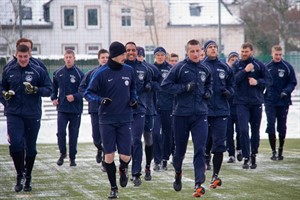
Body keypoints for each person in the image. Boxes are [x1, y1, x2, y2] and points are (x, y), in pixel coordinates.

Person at [84, 41, 137, 199]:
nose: (125, 56)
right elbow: (88, 93)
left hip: (125, 118)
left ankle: (123, 168)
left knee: (126, 156)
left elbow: (133, 89)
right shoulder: (101, 73)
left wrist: (134, 99)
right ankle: (113, 188)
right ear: (114, 56)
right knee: (109, 156)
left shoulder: (129, 70)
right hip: (106, 119)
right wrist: (100, 100)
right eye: (123, 54)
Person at [161, 39, 212, 197]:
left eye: (198, 51)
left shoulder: (205, 68)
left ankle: (198, 183)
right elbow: (165, 86)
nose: (196, 54)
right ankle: (178, 173)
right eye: (193, 51)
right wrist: (184, 88)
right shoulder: (179, 68)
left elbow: (209, 85)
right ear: (187, 52)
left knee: (200, 149)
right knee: (179, 152)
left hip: (200, 115)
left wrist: (208, 93)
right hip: (181, 115)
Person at [1, 44, 52, 192]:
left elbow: (49, 89)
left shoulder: (38, 70)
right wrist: (5, 95)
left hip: (32, 114)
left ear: (30, 55)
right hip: (14, 113)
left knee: (31, 148)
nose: (23, 59)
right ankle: (19, 175)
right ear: (16, 55)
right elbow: (1, 88)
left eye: (25, 56)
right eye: (20, 56)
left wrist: (36, 89)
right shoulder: (8, 69)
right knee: (16, 144)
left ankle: (28, 176)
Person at [232, 42, 272, 169]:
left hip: (256, 103)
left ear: (252, 52)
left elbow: (269, 81)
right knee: (243, 130)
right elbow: (232, 80)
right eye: (242, 51)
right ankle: (245, 156)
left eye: (246, 52)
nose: (244, 54)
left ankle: (253, 154)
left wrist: (257, 82)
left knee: (255, 131)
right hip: (241, 103)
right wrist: (245, 71)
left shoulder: (259, 65)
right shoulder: (236, 65)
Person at [202, 40, 235, 189]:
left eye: (215, 47)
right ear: (205, 51)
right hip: (204, 110)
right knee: (205, 140)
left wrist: (229, 93)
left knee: (220, 144)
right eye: (210, 47)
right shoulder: (201, 67)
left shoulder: (225, 67)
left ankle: (215, 175)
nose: (213, 49)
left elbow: (232, 85)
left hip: (222, 110)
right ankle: (205, 158)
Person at [125, 42, 152, 186]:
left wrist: (149, 86)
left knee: (136, 140)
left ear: (137, 52)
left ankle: (136, 173)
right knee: (126, 142)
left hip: (140, 109)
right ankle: (124, 168)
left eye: (133, 50)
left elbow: (152, 82)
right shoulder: (120, 68)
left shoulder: (144, 68)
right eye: (128, 50)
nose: (131, 52)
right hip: (123, 110)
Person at [51, 49, 84, 167]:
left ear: (74, 58)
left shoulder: (80, 74)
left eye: (70, 57)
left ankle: (72, 157)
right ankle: (62, 153)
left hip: (75, 110)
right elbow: (53, 88)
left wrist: (74, 97)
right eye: (66, 57)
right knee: (60, 132)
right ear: (64, 58)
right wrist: (53, 98)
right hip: (62, 109)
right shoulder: (58, 73)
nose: (68, 59)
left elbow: (84, 91)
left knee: (73, 134)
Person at [264, 45, 297, 160]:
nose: (278, 57)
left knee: (282, 126)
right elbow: (261, 81)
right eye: (276, 54)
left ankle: (280, 150)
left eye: (280, 54)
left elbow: (293, 82)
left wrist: (286, 91)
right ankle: (273, 151)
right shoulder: (266, 67)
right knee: (270, 125)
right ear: (272, 54)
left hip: (283, 102)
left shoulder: (287, 67)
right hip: (270, 101)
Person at [79, 49, 109, 171]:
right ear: (98, 59)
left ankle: (105, 162)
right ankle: (99, 148)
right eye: (103, 57)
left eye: (107, 57)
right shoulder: (92, 73)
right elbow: (82, 88)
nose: (105, 59)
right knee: (96, 137)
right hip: (95, 109)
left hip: (109, 110)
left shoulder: (113, 72)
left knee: (107, 136)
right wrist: (91, 98)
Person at [136, 46, 162, 181]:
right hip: (133, 111)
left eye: (140, 55)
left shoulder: (150, 69)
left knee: (148, 139)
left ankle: (147, 166)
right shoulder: (128, 68)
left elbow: (161, 84)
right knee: (134, 140)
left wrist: (150, 85)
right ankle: (136, 169)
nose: (138, 57)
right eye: (136, 54)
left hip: (148, 110)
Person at [152, 46, 174, 172]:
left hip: (169, 107)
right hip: (154, 108)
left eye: (162, 54)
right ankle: (156, 160)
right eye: (158, 54)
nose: (160, 57)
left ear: (165, 56)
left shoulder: (171, 69)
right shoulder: (151, 69)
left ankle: (165, 158)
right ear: (155, 56)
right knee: (155, 134)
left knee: (168, 134)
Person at [225, 51, 242, 163]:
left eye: (236, 60)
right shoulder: (225, 73)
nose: (234, 62)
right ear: (228, 62)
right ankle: (231, 153)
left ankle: (240, 149)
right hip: (228, 107)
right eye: (232, 60)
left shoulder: (242, 74)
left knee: (241, 130)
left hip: (240, 106)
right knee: (228, 131)